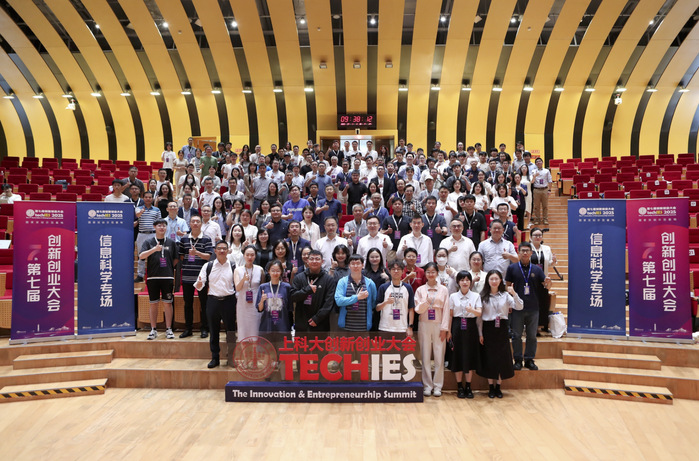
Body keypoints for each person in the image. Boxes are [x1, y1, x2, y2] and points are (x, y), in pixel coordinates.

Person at [505, 242, 552, 371]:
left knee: (531, 336)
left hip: (533, 308)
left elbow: (546, 285)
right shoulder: (512, 268)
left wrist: (549, 282)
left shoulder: (537, 269)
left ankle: (529, 359)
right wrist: (509, 303)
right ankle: (518, 360)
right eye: (522, 251)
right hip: (517, 308)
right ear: (518, 253)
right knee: (516, 335)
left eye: (527, 251)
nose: (525, 253)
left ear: (531, 253)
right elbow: (507, 286)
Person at [477, 270, 523, 398]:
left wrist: (514, 293)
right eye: (491, 279)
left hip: (502, 328)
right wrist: (480, 333)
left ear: (500, 281)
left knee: (501, 357)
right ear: (488, 281)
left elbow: (519, 306)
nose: (494, 281)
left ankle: (498, 386)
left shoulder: (505, 295)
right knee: (489, 357)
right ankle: (491, 387)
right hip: (488, 328)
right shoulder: (483, 296)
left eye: (496, 279)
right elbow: (479, 318)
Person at [195, 240, 236, 368]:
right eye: (219, 248)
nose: (222, 251)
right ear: (215, 251)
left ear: (228, 250)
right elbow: (199, 285)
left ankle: (232, 357)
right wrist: (200, 283)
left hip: (229, 301)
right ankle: (215, 358)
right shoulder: (208, 266)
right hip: (213, 301)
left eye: (224, 248)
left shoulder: (234, 265)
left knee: (230, 332)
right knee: (213, 331)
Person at [138, 218, 179, 340]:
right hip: (152, 277)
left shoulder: (171, 242)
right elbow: (141, 256)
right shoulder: (148, 242)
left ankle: (169, 329)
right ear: (154, 227)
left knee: (168, 303)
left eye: (164, 225)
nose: (162, 227)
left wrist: (168, 268)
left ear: (166, 228)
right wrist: (154, 249)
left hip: (167, 276)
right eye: (159, 225)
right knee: (153, 303)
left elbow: (176, 259)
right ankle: (153, 329)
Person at [414, 262, 450, 397]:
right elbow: (418, 310)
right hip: (424, 324)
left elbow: (446, 310)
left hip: (439, 324)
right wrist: (426, 301)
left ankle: (438, 386)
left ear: (437, 273)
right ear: (425, 273)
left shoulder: (444, 289)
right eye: (428, 272)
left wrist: (444, 328)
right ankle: (427, 385)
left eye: (433, 272)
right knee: (425, 355)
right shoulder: (420, 290)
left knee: (439, 355)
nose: (430, 274)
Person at [448, 271, 482, 399]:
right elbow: (450, 315)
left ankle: (468, 386)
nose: (465, 282)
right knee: (457, 356)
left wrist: (471, 310)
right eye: (462, 280)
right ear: (458, 282)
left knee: (469, 356)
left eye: (467, 280)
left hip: (471, 326)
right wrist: (449, 331)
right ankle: (459, 387)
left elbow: (479, 313)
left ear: (470, 282)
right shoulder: (453, 296)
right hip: (457, 326)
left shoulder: (476, 296)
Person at [178, 215, 212, 338]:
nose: (196, 223)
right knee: (188, 304)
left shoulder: (207, 239)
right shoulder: (184, 239)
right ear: (190, 224)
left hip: (202, 277)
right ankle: (188, 329)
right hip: (187, 276)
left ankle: (204, 328)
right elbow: (182, 256)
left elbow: (208, 257)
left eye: (198, 221)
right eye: (193, 221)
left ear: (201, 224)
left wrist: (196, 253)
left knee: (204, 303)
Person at [291, 249, 336, 332]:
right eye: (311, 259)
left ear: (322, 261)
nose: (314, 261)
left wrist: (317, 318)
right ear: (307, 261)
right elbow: (293, 297)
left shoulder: (328, 279)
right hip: (301, 323)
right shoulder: (299, 277)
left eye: (317, 259)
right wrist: (307, 290)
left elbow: (329, 303)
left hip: (321, 323)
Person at [334, 254, 377, 332]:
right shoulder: (342, 282)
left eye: (358, 263)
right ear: (349, 266)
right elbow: (339, 301)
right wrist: (357, 297)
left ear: (362, 265)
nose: (355, 266)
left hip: (364, 326)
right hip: (345, 326)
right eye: (353, 264)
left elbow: (373, 303)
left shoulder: (370, 283)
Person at [233, 245, 264, 341]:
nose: (249, 257)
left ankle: (255, 349)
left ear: (255, 256)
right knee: (243, 330)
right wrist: (243, 279)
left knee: (255, 329)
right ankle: (244, 349)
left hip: (256, 303)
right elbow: (238, 288)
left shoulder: (260, 269)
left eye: (252, 255)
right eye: (247, 255)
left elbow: (262, 287)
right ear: (243, 255)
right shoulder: (238, 270)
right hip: (243, 304)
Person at [376, 260, 415, 335]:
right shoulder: (383, 287)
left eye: (398, 269)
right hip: (385, 327)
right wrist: (385, 302)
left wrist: (410, 327)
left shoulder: (408, 288)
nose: (396, 271)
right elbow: (377, 308)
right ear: (389, 271)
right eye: (393, 269)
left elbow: (411, 308)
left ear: (403, 271)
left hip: (402, 328)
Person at [530, 228, 557, 333]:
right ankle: (532, 327)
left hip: (543, 280)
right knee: (532, 303)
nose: (538, 237)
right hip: (530, 280)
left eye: (540, 235)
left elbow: (549, 263)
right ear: (531, 237)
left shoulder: (546, 248)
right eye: (535, 235)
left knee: (543, 303)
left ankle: (541, 325)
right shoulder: (527, 247)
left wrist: (553, 261)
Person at [257, 260, 293, 335]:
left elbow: (289, 309)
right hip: (266, 327)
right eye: (273, 270)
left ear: (281, 272)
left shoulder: (287, 287)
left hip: (283, 327)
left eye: (278, 271)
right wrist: (262, 300)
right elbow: (259, 309)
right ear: (268, 271)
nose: (275, 273)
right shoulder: (263, 287)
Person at [134, 191, 163, 283]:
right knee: (141, 255)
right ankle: (140, 275)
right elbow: (137, 215)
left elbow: (159, 222)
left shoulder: (157, 210)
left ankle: (154, 273)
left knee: (155, 255)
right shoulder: (138, 208)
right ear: (143, 198)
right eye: (146, 197)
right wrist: (141, 212)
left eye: (150, 197)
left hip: (153, 234)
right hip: (141, 234)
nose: (148, 199)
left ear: (152, 199)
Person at [363, 248, 390, 331]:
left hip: (382, 302)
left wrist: (387, 278)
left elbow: (391, 287)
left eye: (377, 257)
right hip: (368, 302)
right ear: (368, 258)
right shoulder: (364, 272)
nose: (374, 259)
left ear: (381, 258)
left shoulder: (385, 271)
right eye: (372, 257)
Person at [381, 198, 411, 264]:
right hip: (391, 250)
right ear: (392, 206)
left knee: (403, 268)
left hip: (404, 249)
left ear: (402, 206)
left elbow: (411, 233)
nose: (397, 205)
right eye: (395, 204)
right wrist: (387, 231)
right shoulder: (387, 219)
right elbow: (381, 233)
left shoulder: (408, 219)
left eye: (399, 204)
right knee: (391, 268)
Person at [531, 157, 552, 225]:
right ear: (535, 164)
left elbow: (550, 181)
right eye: (537, 161)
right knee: (536, 206)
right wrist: (535, 176)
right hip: (536, 189)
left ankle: (545, 219)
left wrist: (549, 190)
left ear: (542, 162)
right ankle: (537, 219)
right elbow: (532, 181)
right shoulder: (533, 171)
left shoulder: (546, 171)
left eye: (540, 161)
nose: (538, 162)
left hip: (544, 189)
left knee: (545, 206)